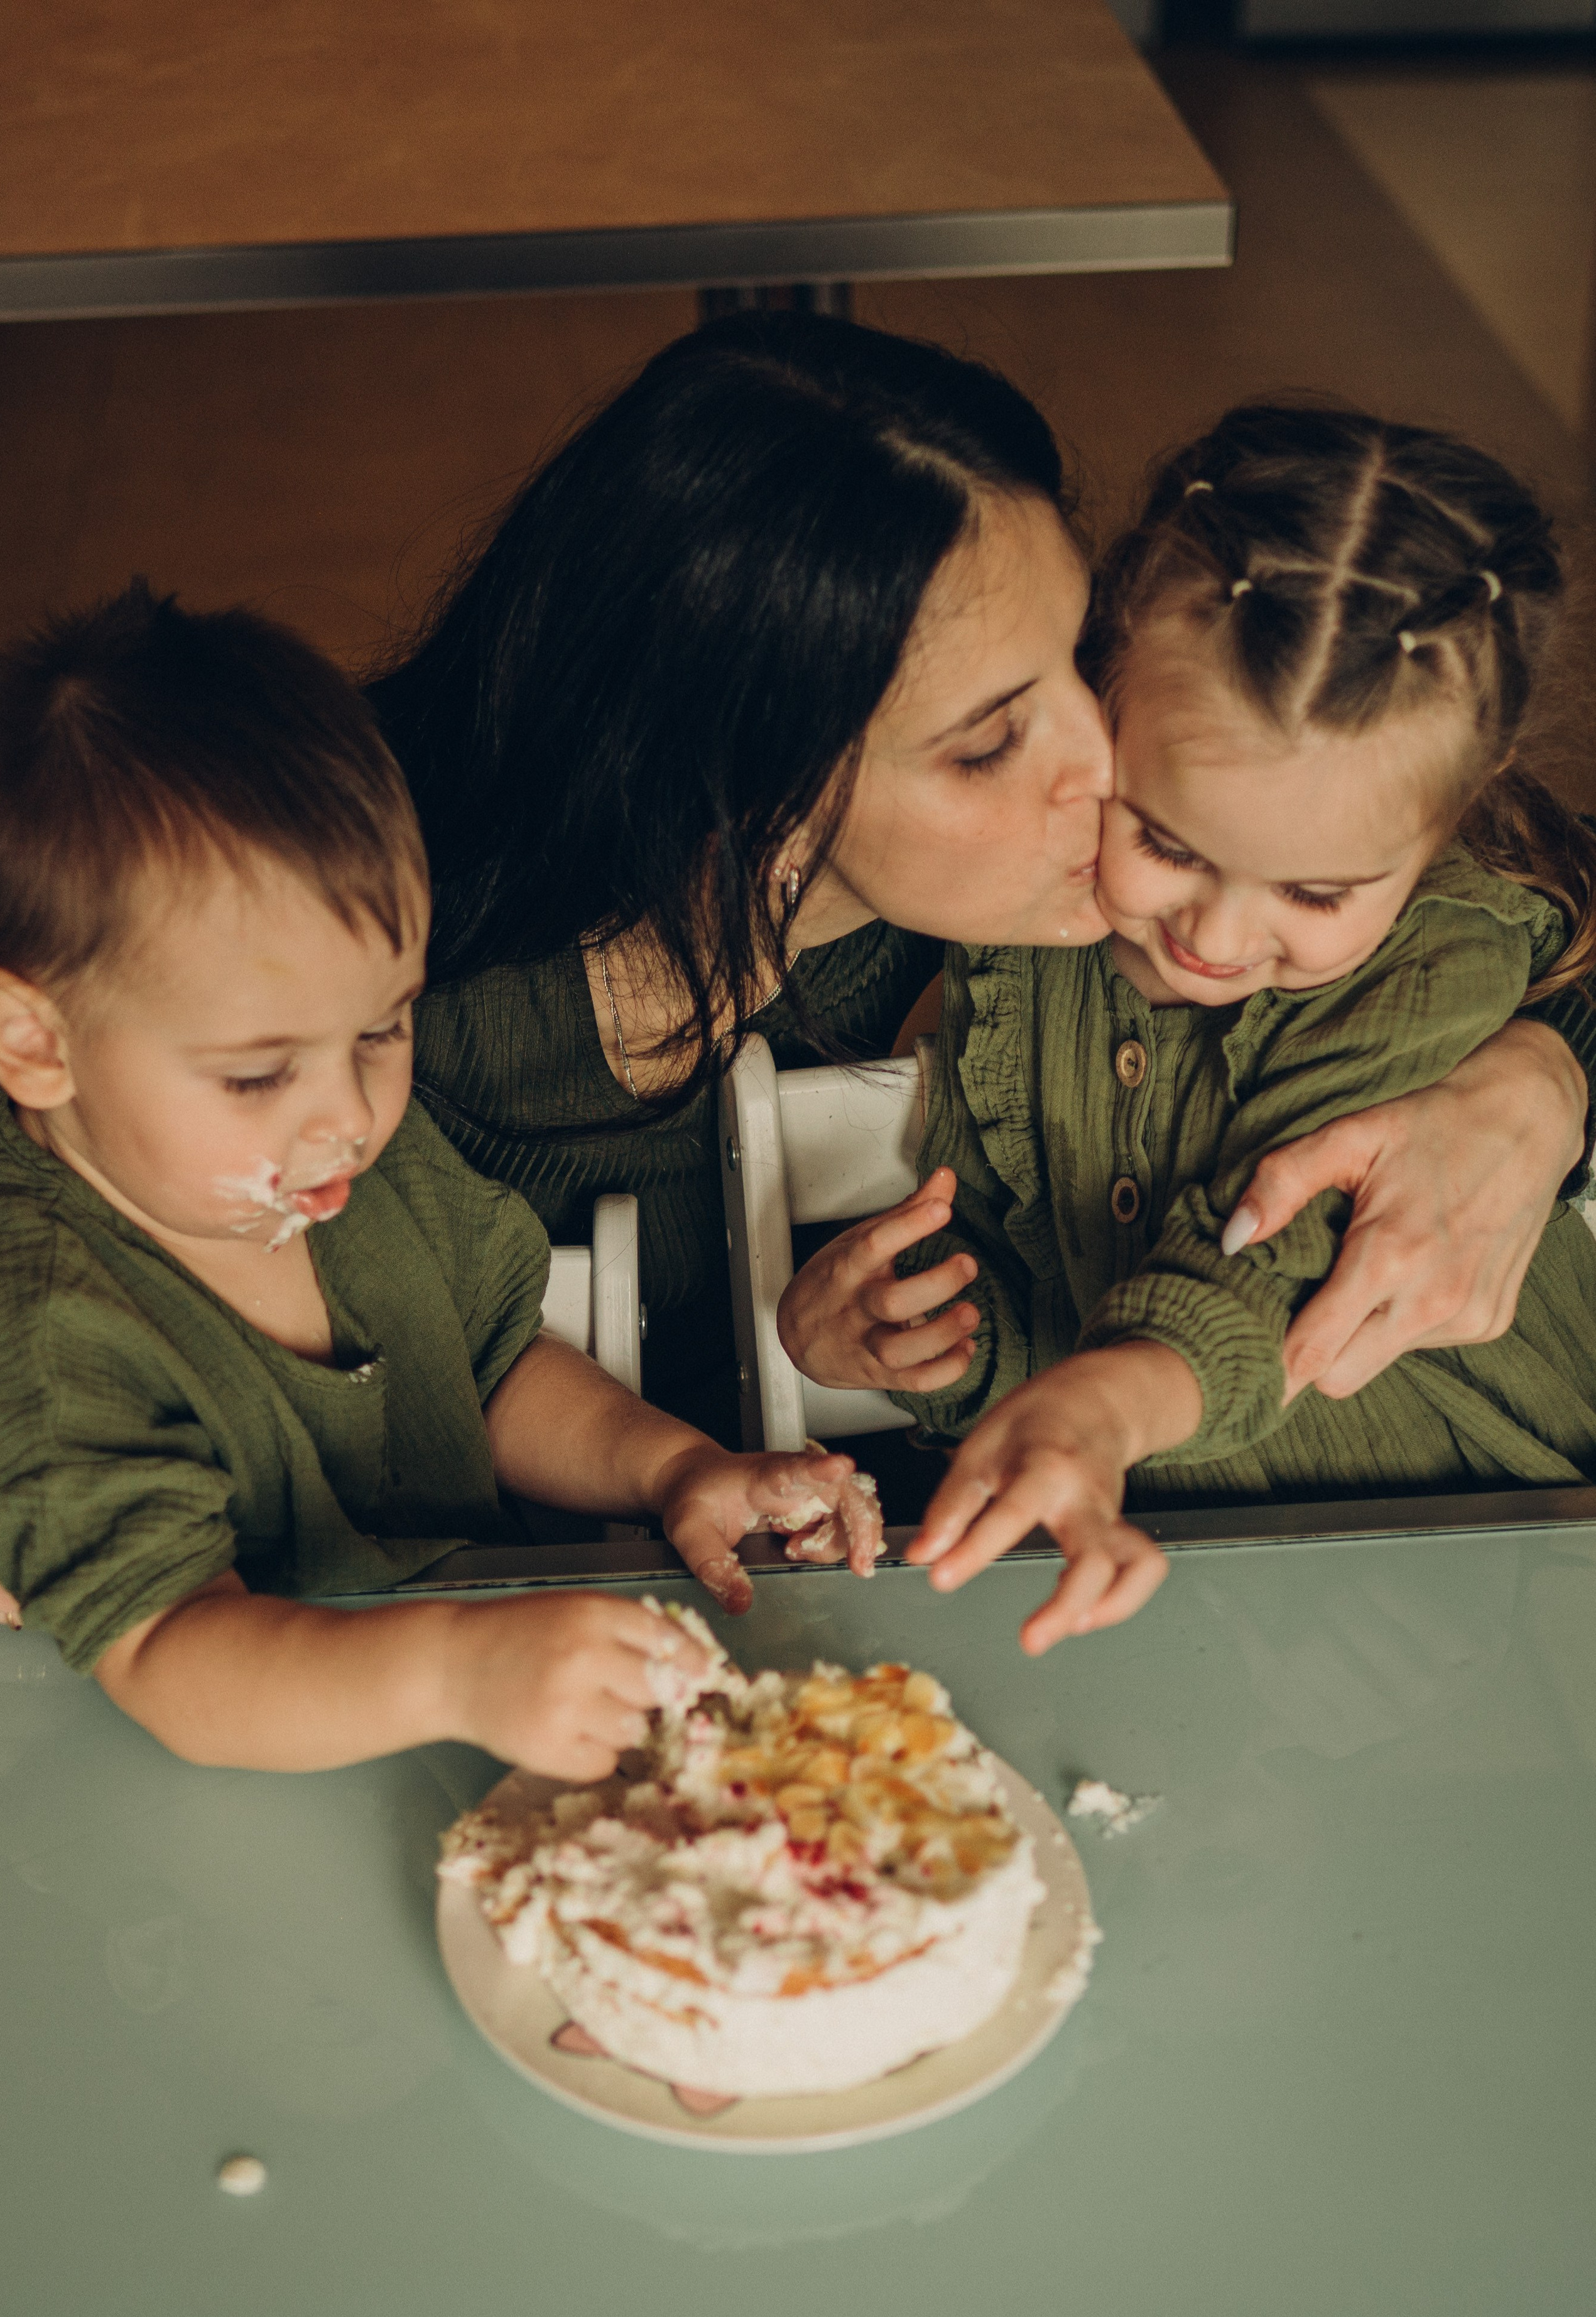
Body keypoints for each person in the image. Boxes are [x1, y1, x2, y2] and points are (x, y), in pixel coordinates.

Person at [367, 315, 1595, 1475]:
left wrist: (1537, 1082)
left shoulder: (1130, 887)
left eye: (1079, 657)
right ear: (762, 782)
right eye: (989, 742)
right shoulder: (387, 1022)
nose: (1108, 763)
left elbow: (1508, 877)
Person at [0, 587, 880, 1776]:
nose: (348, 1116)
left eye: (383, 1030)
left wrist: (675, 1467)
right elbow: (169, 1656)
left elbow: (496, 1360)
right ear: (35, 1045)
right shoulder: (44, 1329)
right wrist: (459, 1669)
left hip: (466, 1726)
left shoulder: (341, 1159)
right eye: (259, 1075)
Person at [779, 404, 1596, 1650]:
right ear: (1096, 694)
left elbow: (1251, 1271)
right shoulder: (1012, 943)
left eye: (1314, 892)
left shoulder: (1439, 953)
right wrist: (923, 1344)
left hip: (1485, 1532)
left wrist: (1092, 1418)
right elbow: (1062, 1285)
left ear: (1448, 823)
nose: (1214, 936)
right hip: (1169, 1565)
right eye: (1163, 839)